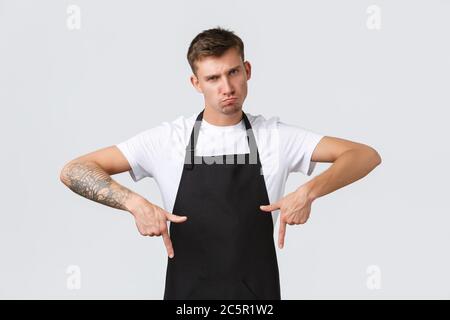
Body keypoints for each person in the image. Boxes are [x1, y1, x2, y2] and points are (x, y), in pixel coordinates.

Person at [59, 27, 382, 300]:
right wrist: (133, 202)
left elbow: (364, 155)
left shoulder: (275, 137)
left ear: (248, 70)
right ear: (196, 84)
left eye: (233, 72)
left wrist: (309, 191)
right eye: (213, 78)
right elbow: (73, 169)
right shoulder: (168, 140)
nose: (227, 88)